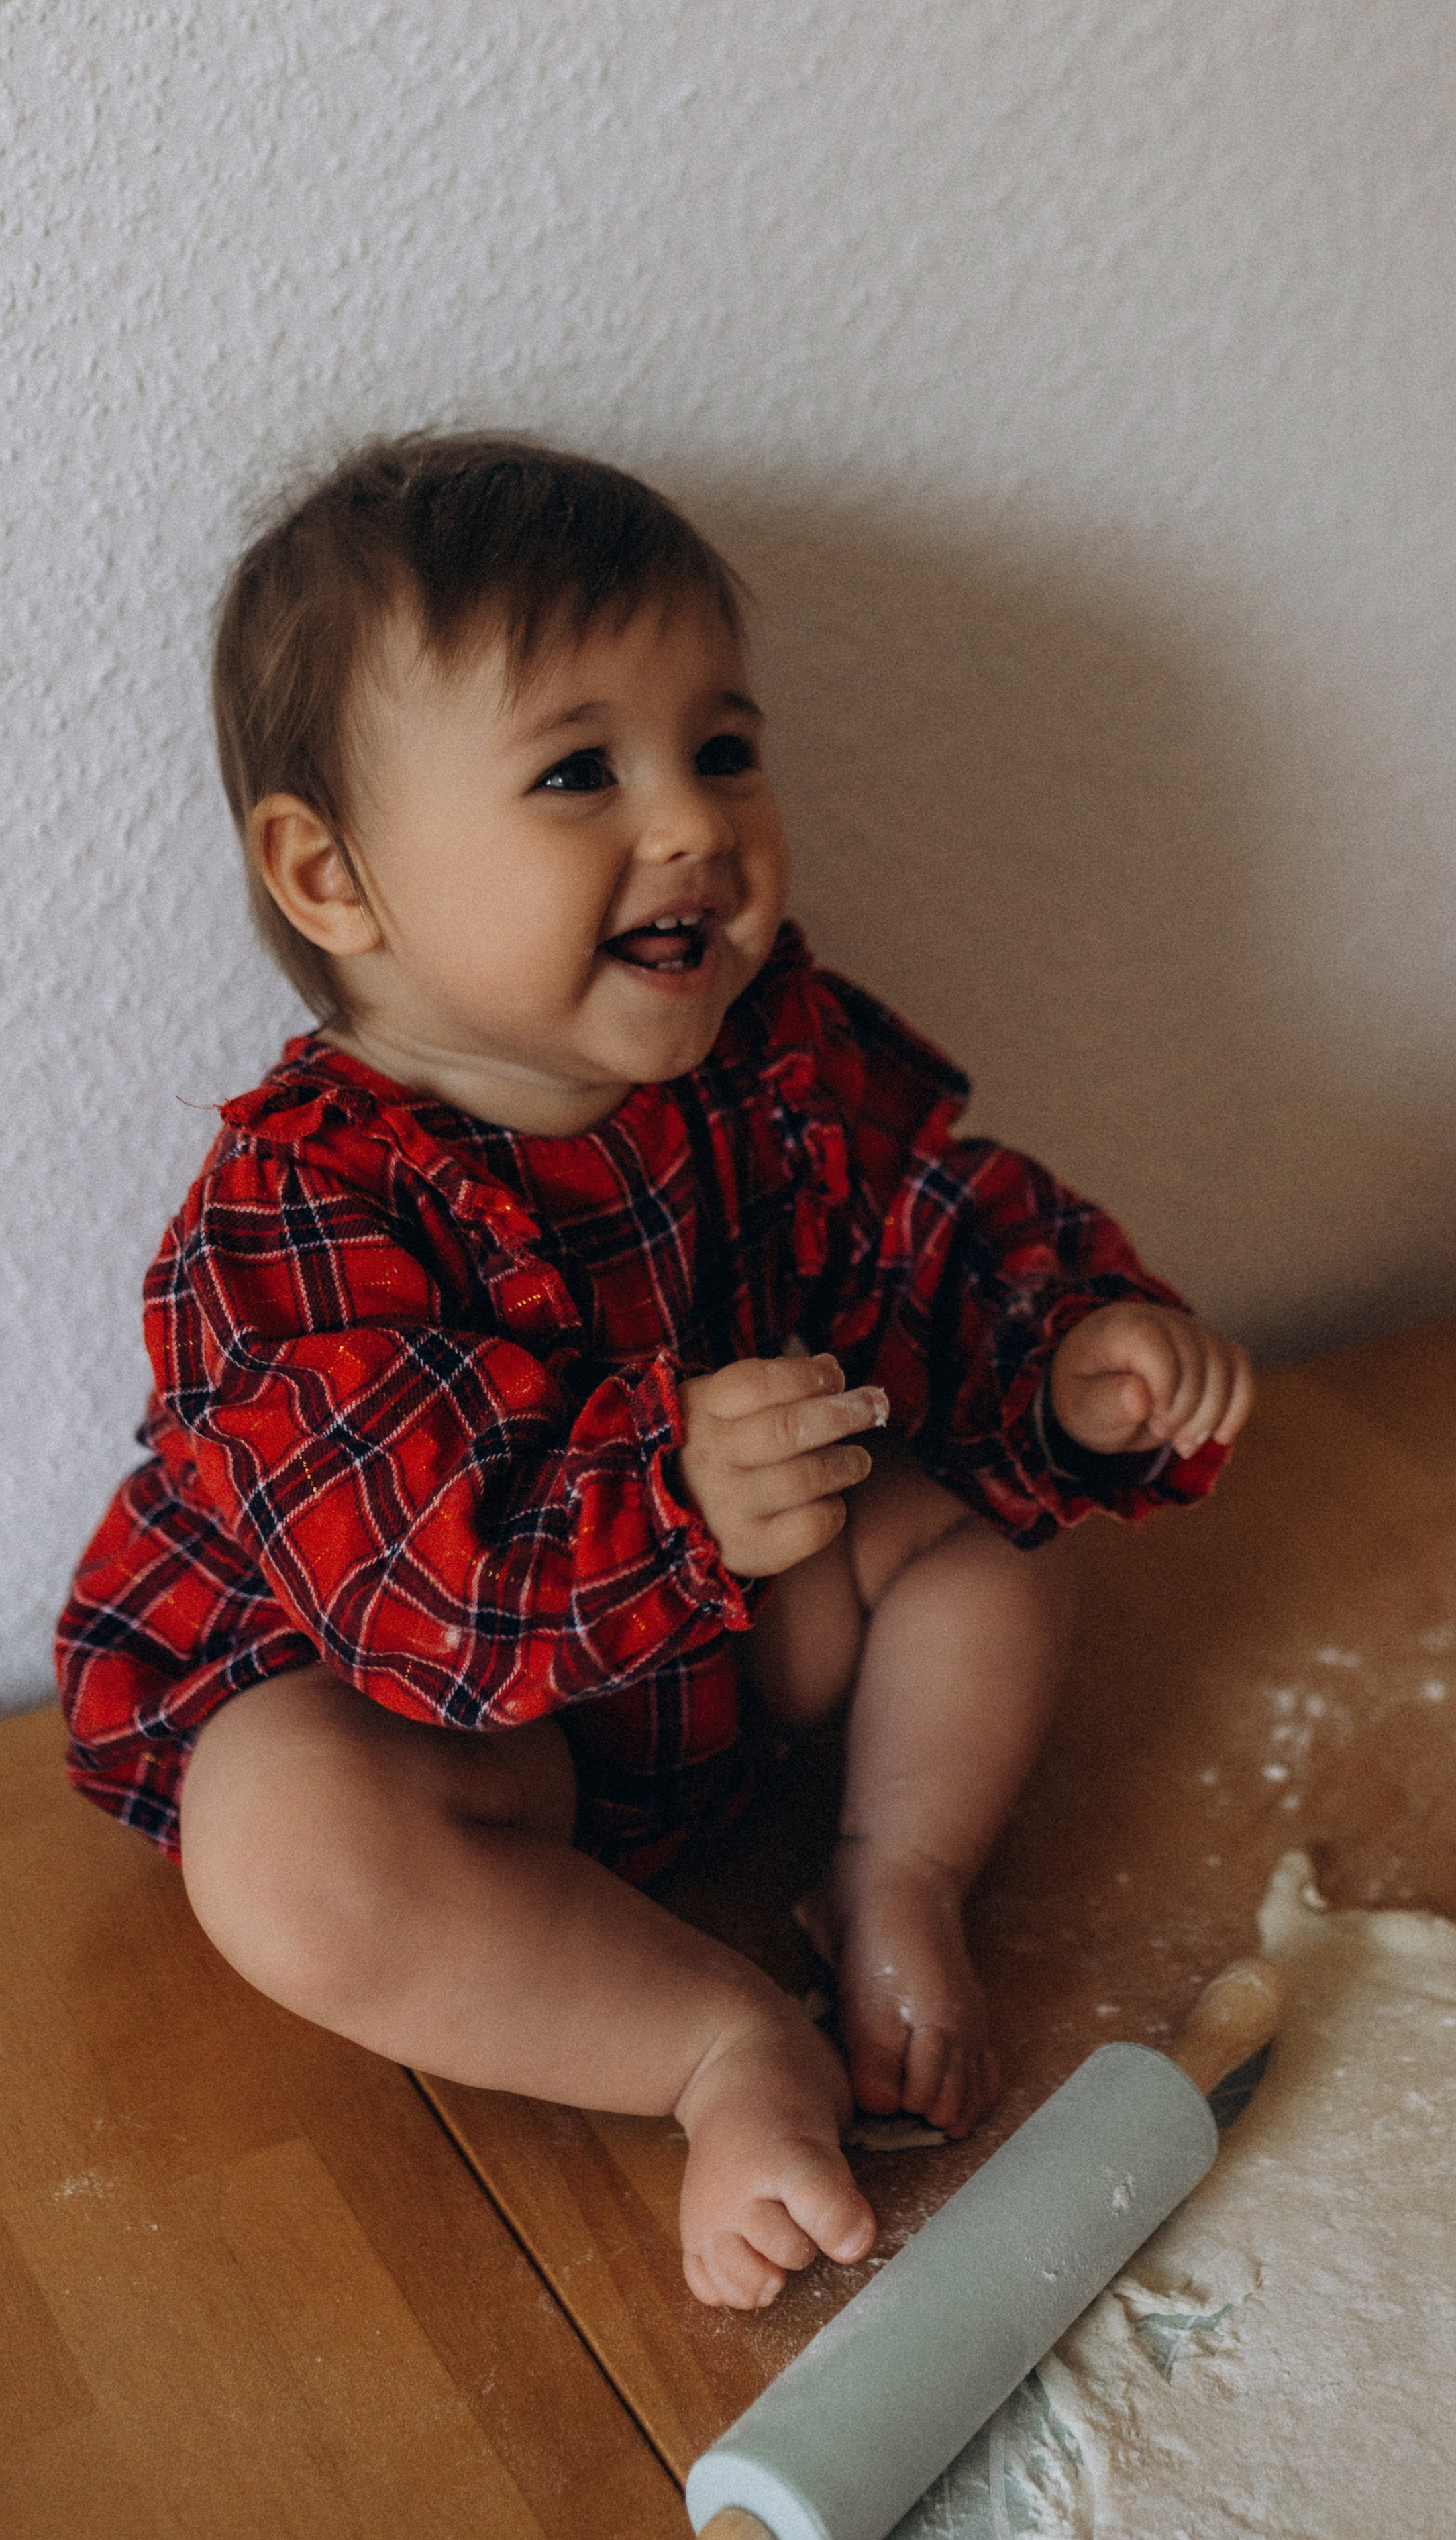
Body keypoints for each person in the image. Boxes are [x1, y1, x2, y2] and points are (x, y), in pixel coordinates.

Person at [56, 433, 1252, 2309]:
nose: (692, 822)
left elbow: (927, 1230)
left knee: (995, 1534)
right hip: (463, 1746)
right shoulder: (298, 1210)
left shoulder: (769, 1057)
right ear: (331, 873)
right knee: (277, 1840)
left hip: (729, 1668)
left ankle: (894, 1872)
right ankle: (712, 2044)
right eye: (578, 772)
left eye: (724, 748)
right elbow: (413, 1587)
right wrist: (667, 1499)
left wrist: (1069, 1349)